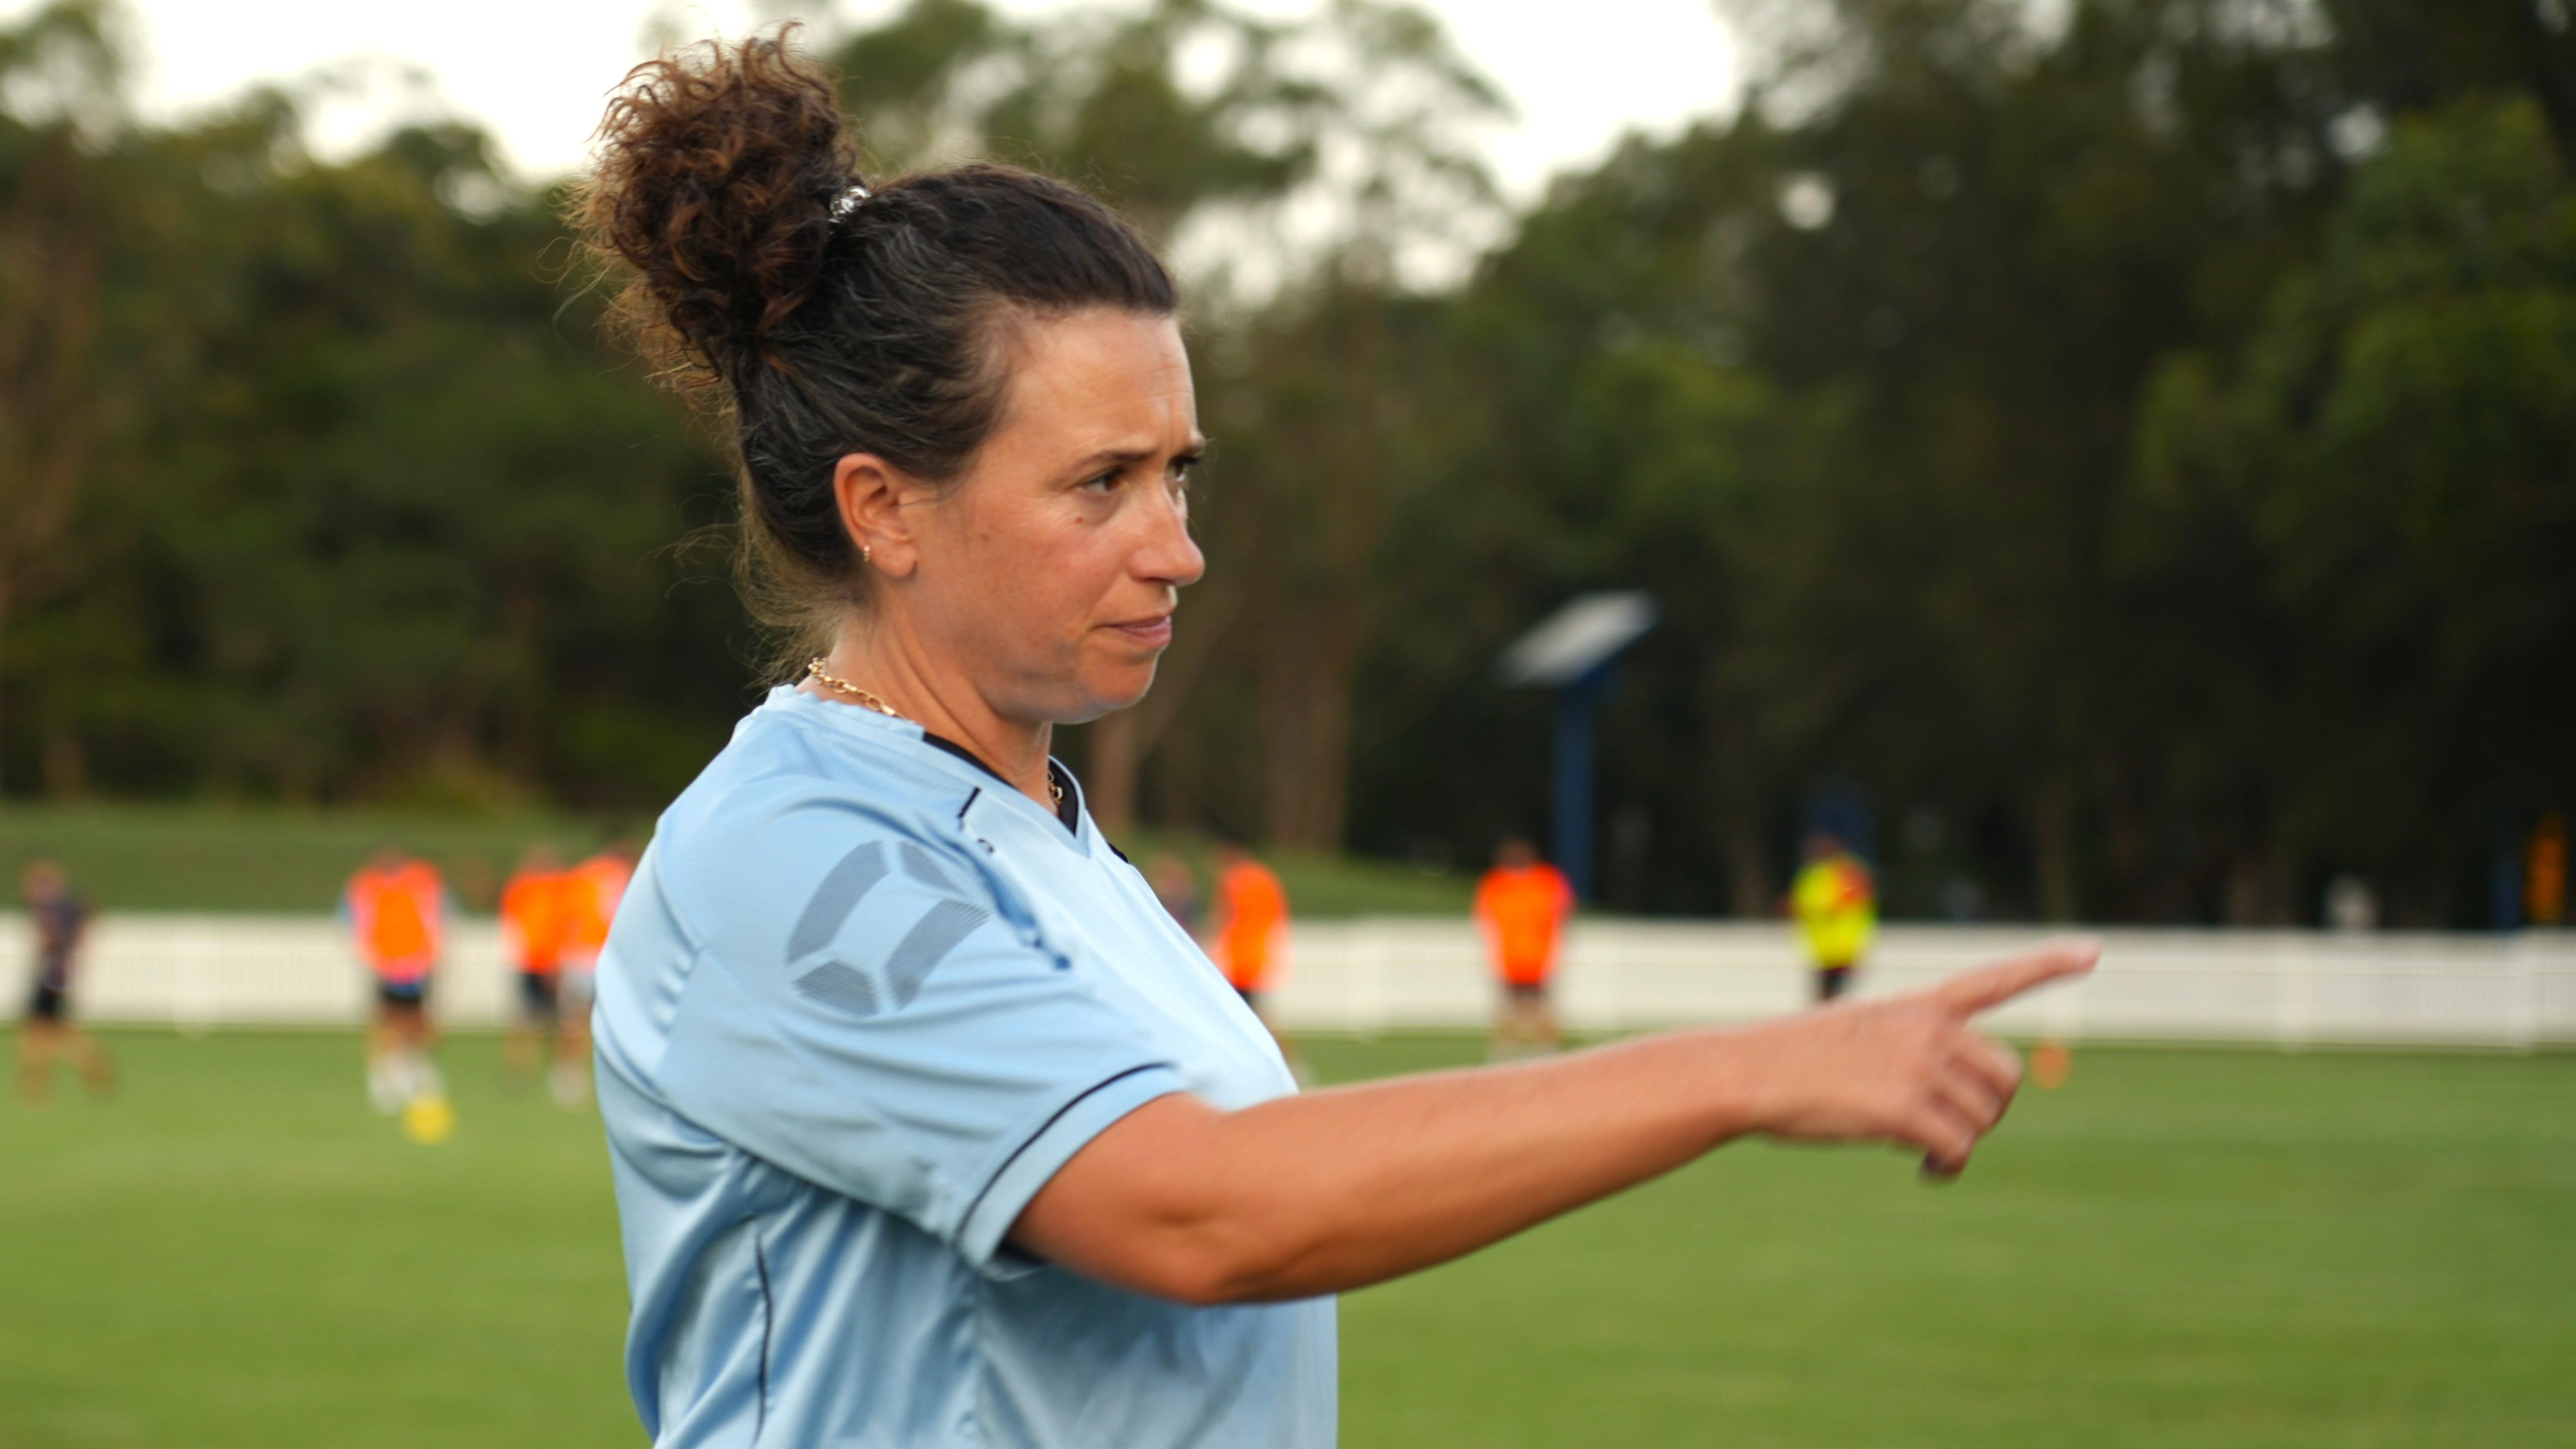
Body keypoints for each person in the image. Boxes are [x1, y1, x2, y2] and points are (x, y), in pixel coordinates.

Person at [572, 35, 2092, 1449]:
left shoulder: (1047, 840)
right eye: (1101, 482)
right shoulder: (794, 858)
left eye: (1180, 474)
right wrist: (1748, 1071)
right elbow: (1199, 1212)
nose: (1177, 549)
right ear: (882, 508)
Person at [341, 846, 450, 1123]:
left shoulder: (422, 880)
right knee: (387, 1022)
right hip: (386, 963)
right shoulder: (366, 885)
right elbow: (356, 921)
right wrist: (370, 955)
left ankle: (414, 1070)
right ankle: (384, 1077)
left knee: (418, 1022)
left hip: (419, 962)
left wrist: (435, 954)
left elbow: (437, 916)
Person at [15, 860, 114, 1103]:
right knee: (53, 1030)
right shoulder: (69, 908)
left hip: (50, 976)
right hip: (59, 975)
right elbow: (87, 918)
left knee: (39, 1032)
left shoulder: (50, 910)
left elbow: (48, 940)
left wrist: (45, 943)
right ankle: (91, 1065)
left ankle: (38, 1084)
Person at [552, 838, 637, 1108]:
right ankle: (610, 1078)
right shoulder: (624, 876)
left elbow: (565, 916)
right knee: (613, 1020)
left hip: (579, 954)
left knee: (574, 1018)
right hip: (607, 954)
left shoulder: (582, 874)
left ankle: (569, 1075)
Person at [1474, 837, 1575, 1059]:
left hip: (1540, 955)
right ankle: (1503, 1051)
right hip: (1509, 956)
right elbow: (1486, 916)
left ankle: (1550, 1050)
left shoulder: (1547, 880)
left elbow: (1565, 909)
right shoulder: (1496, 883)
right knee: (1507, 1009)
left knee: (1543, 1008)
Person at [498, 844, 575, 1090]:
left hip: (558, 962)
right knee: (527, 1019)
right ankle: (519, 1071)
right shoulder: (522, 887)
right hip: (531, 962)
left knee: (567, 1021)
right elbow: (515, 922)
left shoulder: (562, 887)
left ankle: (565, 1072)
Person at [1791, 829, 1877, 1002]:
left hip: (1842, 947)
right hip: (1823, 948)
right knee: (1826, 994)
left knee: (1833, 996)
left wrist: (1816, 909)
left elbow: (1845, 903)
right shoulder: (1814, 874)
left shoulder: (1848, 873)